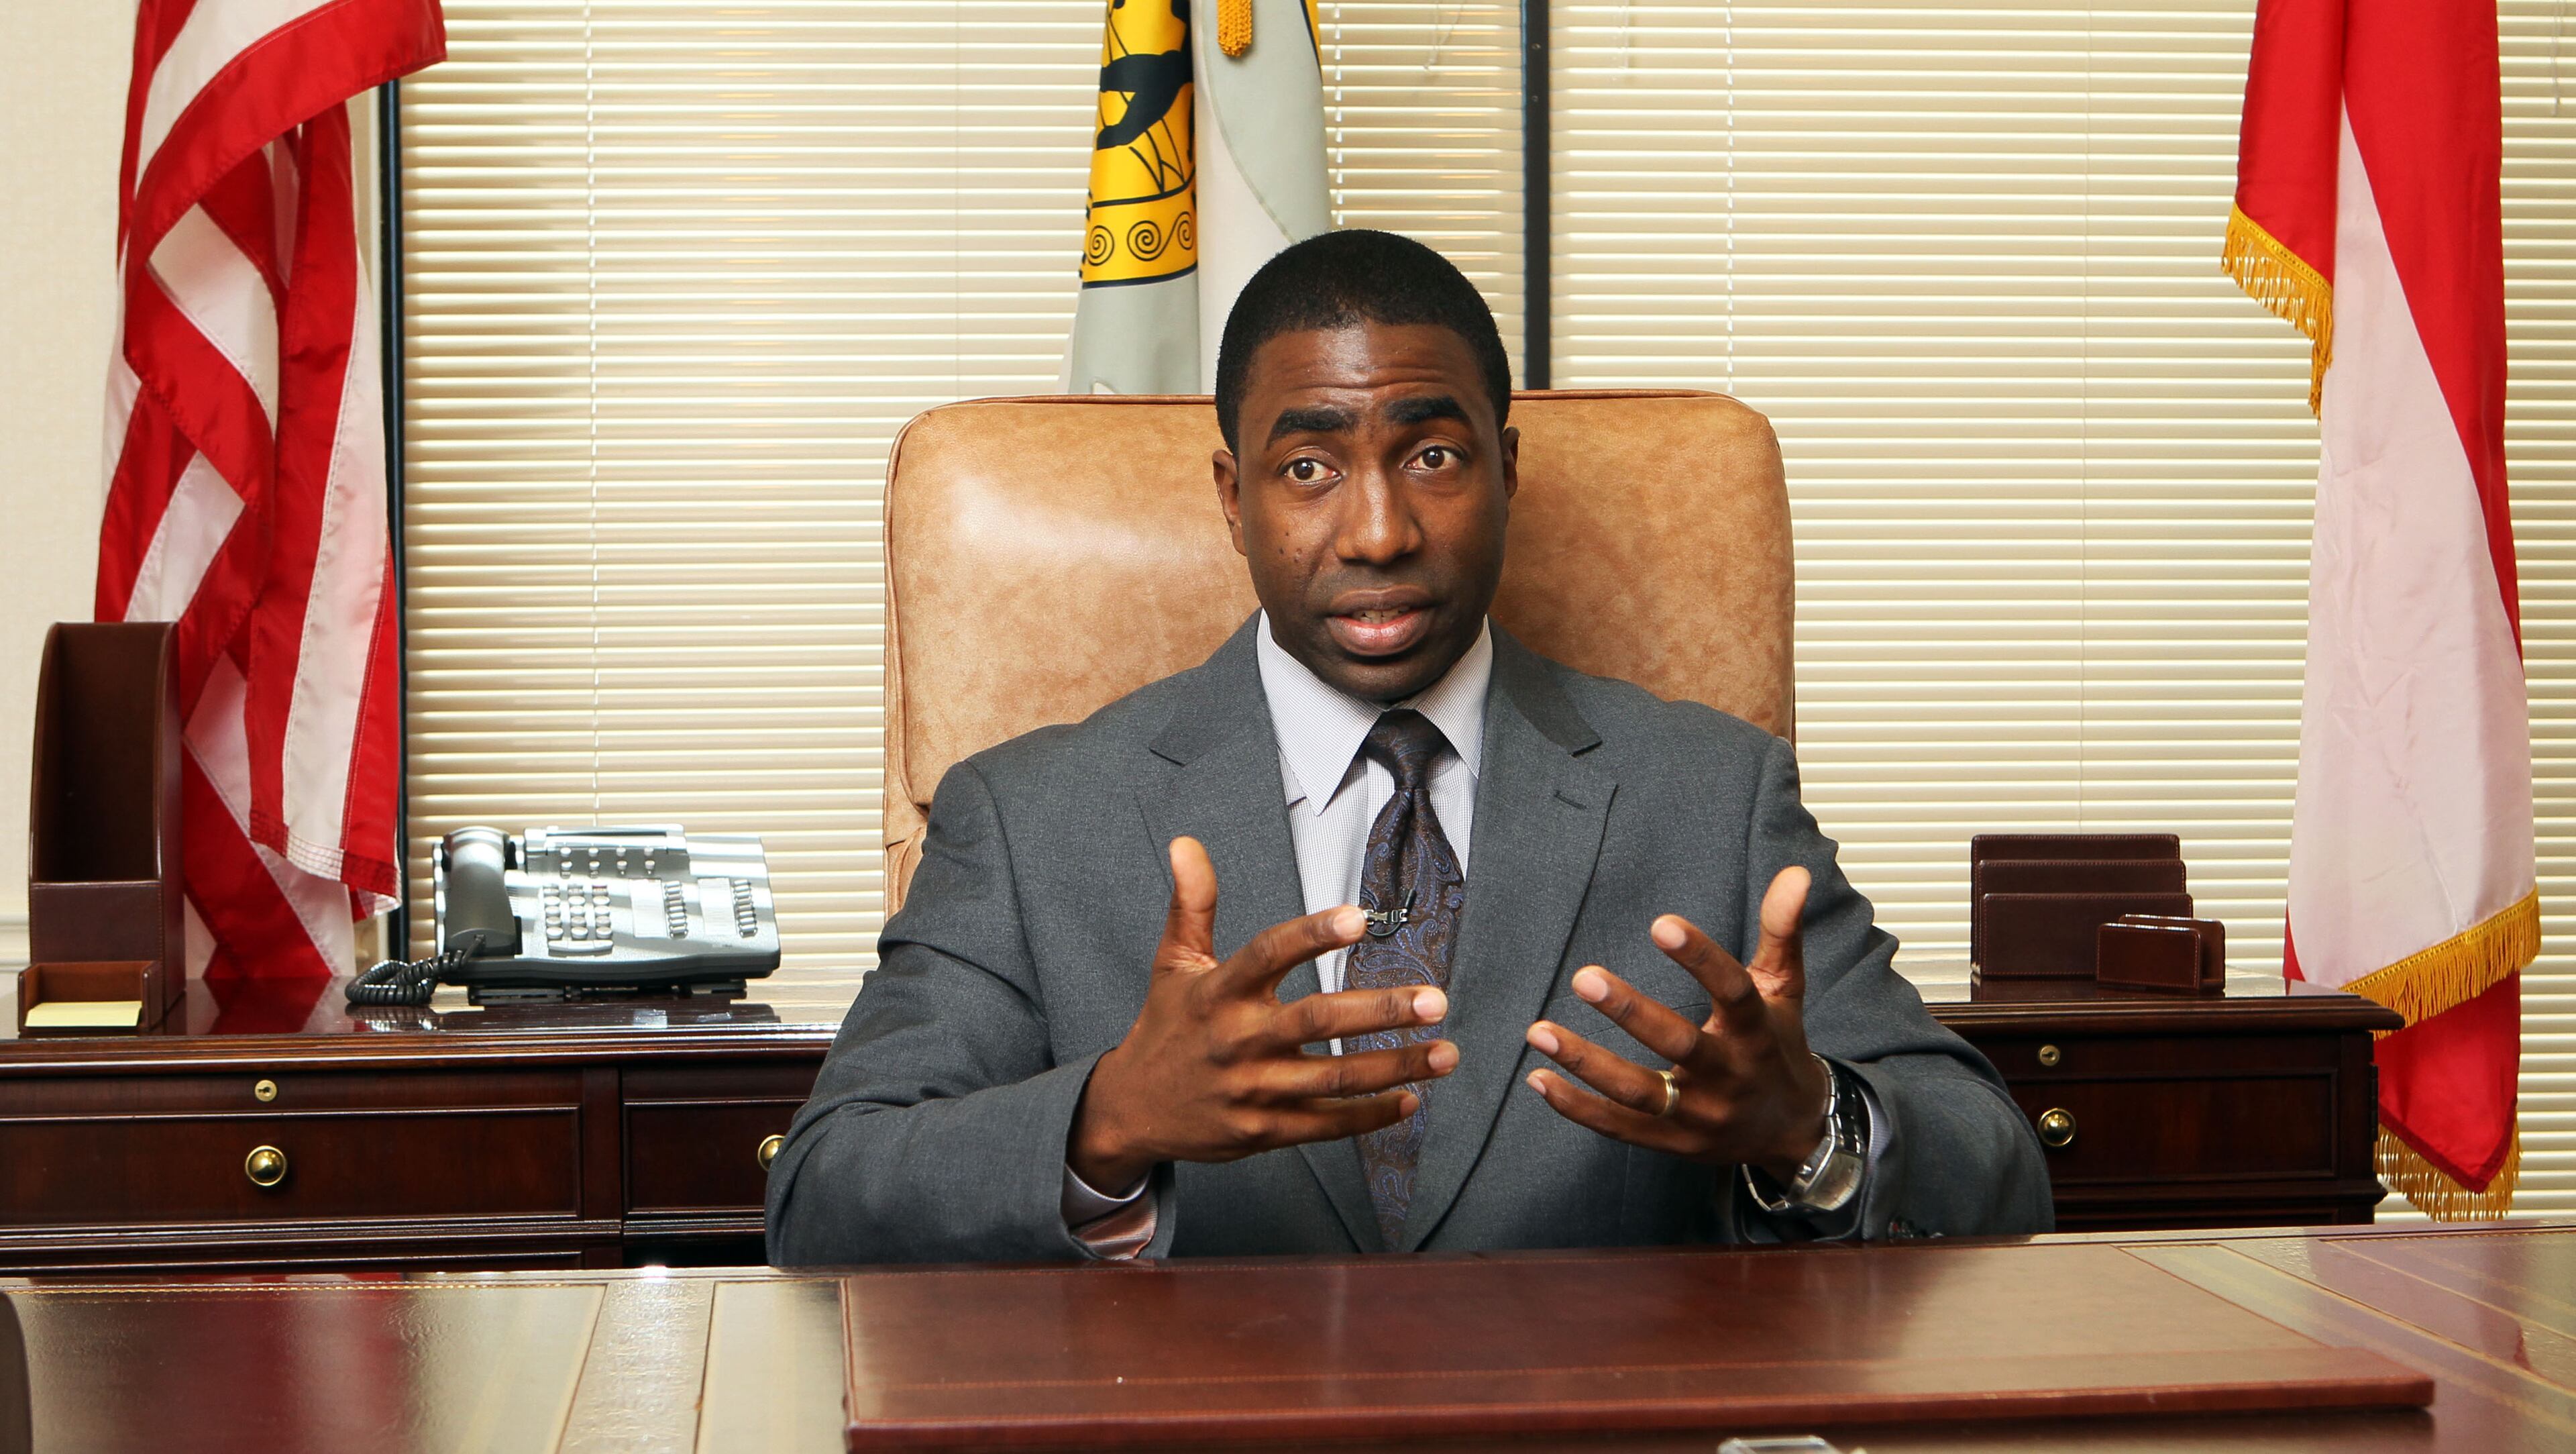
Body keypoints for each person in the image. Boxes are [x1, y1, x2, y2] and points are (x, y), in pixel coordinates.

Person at [767, 229, 2051, 1263]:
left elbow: (1998, 1175)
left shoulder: (1714, 794)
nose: (1378, 531)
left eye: (1432, 455)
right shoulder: (1033, 816)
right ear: (1233, 499)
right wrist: (1105, 1124)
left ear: (1507, 468)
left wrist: (1808, 1131)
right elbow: (823, 1197)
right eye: (1309, 468)